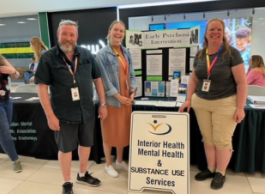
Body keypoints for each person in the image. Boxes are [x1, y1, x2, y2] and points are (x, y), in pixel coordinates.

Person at [34, 20, 107, 194]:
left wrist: (102, 104)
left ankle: (82, 174)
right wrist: (50, 115)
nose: (68, 38)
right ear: (58, 34)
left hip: (87, 112)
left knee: (86, 144)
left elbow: (97, 79)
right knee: (65, 149)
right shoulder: (48, 57)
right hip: (63, 114)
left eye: (71, 34)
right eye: (64, 34)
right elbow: (42, 87)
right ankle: (67, 182)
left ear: (77, 37)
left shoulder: (87, 54)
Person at [179, 18, 247, 190]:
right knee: (208, 139)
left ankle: (221, 173)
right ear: (206, 33)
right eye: (212, 29)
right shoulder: (201, 55)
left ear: (223, 33)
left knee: (222, 141)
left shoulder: (232, 53)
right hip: (201, 103)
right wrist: (188, 99)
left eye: (219, 29)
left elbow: (241, 83)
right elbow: (194, 79)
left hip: (225, 103)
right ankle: (211, 168)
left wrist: (240, 107)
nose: (215, 32)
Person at [95, 20, 137, 178]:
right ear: (110, 31)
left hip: (126, 100)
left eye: (122, 31)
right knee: (109, 132)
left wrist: (132, 92)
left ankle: (119, 160)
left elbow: (132, 75)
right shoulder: (101, 54)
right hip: (112, 101)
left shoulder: (126, 52)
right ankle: (108, 164)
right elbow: (105, 82)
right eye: (116, 30)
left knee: (122, 131)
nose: (119, 33)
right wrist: (119, 97)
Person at [0, 54, 22, 173]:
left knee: (4, 131)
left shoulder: (1, 59)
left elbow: (17, 76)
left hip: (7, 101)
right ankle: (15, 160)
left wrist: (12, 71)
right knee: (5, 133)